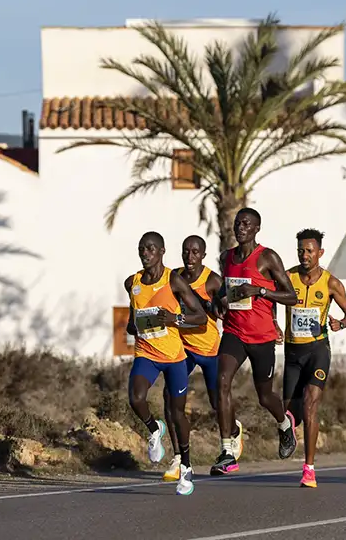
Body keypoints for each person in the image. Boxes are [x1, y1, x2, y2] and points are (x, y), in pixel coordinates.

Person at [210, 207, 300, 475]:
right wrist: (218, 303)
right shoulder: (226, 257)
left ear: (257, 229)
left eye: (246, 224)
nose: (241, 228)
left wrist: (260, 290)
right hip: (234, 332)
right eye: (238, 223)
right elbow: (225, 290)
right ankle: (227, 451)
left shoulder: (267, 257)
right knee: (221, 381)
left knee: (265, 396)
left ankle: (284, 423)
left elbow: (291, 296)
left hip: (261, 337)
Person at [124, 231, 210, 495]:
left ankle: (186, 465)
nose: (145, 253)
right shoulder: (132, 282)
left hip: (174, 358)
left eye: (150, 248)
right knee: (136, 398)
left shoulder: (173, 280)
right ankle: (154, 429)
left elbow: (201, 317)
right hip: (147, 353)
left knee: (177, 413)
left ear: (161, 251)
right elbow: (132, 318)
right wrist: (133, 325)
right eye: (142, 249)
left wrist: (175, 319)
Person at [282, 227, 346, 488]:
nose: (305, 255)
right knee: (288, 412)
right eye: (301, 250)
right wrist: (273, 324)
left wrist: (341, 324)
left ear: (320, 253)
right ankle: (288, 428)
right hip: (292, 351)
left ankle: (309, 469)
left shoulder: (331, 283)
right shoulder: (287, 277)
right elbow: (268, 301)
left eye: (309, 251)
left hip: (318, 351)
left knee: (310, 405)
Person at [161, 235, 225, 482]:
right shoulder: (174, 277)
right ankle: (179, 457)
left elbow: (227, 308)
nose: (190, 257)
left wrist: (218, 306)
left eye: (195, 252)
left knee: (218, 402)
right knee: (170, 396)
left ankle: (231, 434)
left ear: (203, 255)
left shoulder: (212, 280)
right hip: (183, 348)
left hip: (210, 349)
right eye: (186, 251)